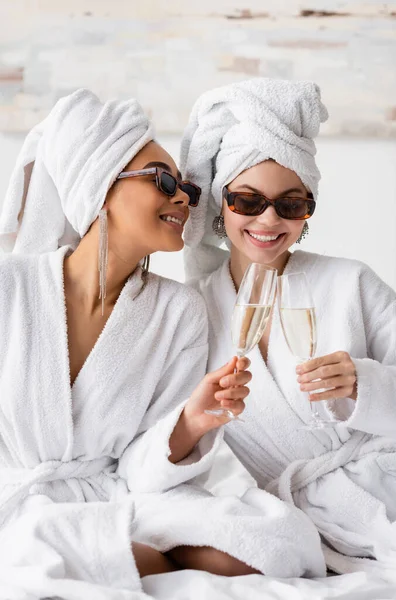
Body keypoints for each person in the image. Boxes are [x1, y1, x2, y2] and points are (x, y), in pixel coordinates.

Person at [0, 89, 324, 599]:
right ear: (101, 184)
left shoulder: (178, 312)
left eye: (188, 191)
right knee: (36, 538)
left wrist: (194, 419)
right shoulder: (9, 288)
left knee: (278, 540)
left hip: (120, 497)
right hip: (18, 498)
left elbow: (140, 468)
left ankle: (101, 554)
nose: (182, 199)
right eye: (163, 180)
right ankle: (101, 552)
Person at [182, 78, 396, 576]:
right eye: (248, 201)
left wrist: (369, 385)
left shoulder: (351, 282)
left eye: (290, 203)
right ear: (221, 203)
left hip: (387, 487)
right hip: (295, 514)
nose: (269, 219)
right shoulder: (194, 312)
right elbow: (165, 437)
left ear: (306, 210)